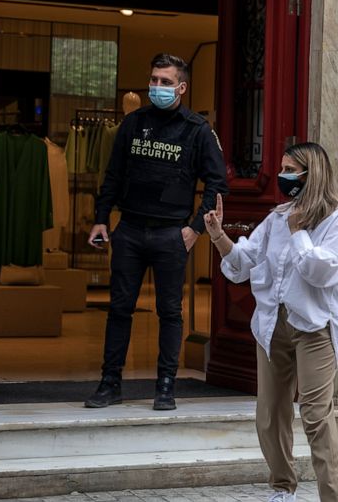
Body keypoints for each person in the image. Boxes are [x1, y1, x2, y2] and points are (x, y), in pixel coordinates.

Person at [207, 142, 338, 502]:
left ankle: (332, 498)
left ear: (312, 174)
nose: (282, 176)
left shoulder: (337, 219)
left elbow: (320, 272)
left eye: (291, 170)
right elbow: (243, 263)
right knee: (269, 415)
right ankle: (282, 488)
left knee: (316, 416)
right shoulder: (277, 217)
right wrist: (218, 235)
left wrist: (298, 232)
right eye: (282, 169)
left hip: (314, 328)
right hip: (272, 325)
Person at [86, 53, 227, 411]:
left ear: (182, 87)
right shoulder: (133, 124)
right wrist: (101, 218)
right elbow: (113, 174)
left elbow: (216, 183)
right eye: (154, 80)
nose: (157, 87)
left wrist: (195, 229)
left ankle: (166, 386)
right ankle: (109, 383)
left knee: (169, 312)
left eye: (166, 82)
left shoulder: (197, 130)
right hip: (130, 230)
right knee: (120, 309)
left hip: (171, 234)